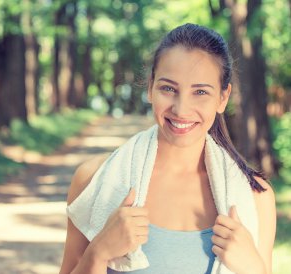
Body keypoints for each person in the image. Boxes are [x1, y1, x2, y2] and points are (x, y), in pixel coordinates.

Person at [59, 23, 276, 274]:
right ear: (150, 87)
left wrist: (254, 269)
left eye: (200, 92)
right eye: (169, 88)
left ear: (223, 98)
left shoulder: (256, 197)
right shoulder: (92, 179)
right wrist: (99, 252)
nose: (181, 109)